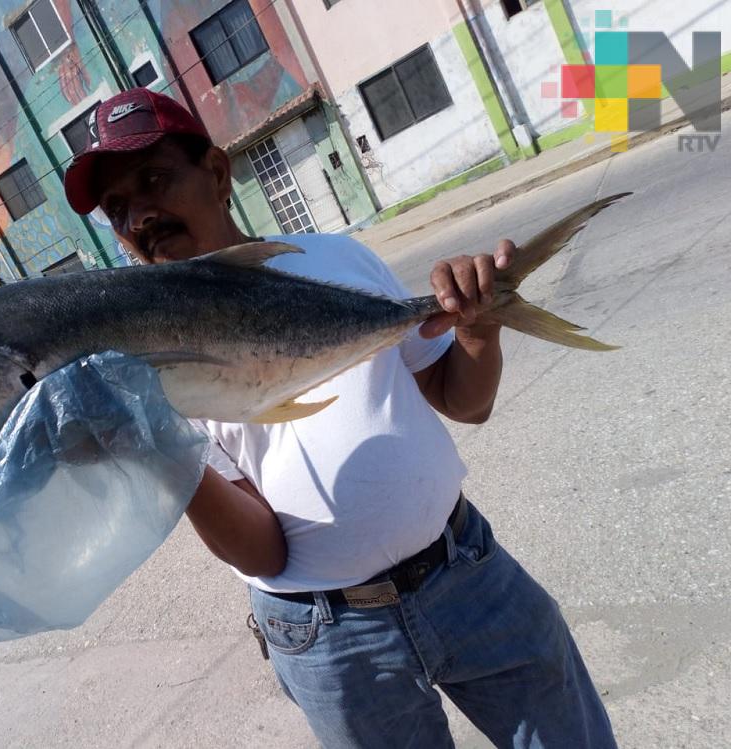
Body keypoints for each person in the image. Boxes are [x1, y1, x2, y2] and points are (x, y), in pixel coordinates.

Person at [64, 88, 616, 749]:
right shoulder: (138, 360)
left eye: (153, 179)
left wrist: (479, 328)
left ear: (215, 173)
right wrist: (156, 451)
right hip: (328, 636)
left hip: (468, 570)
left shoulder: (336, 259)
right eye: (118, 208)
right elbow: (262, 550)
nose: (140, 216)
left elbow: (466, 399)